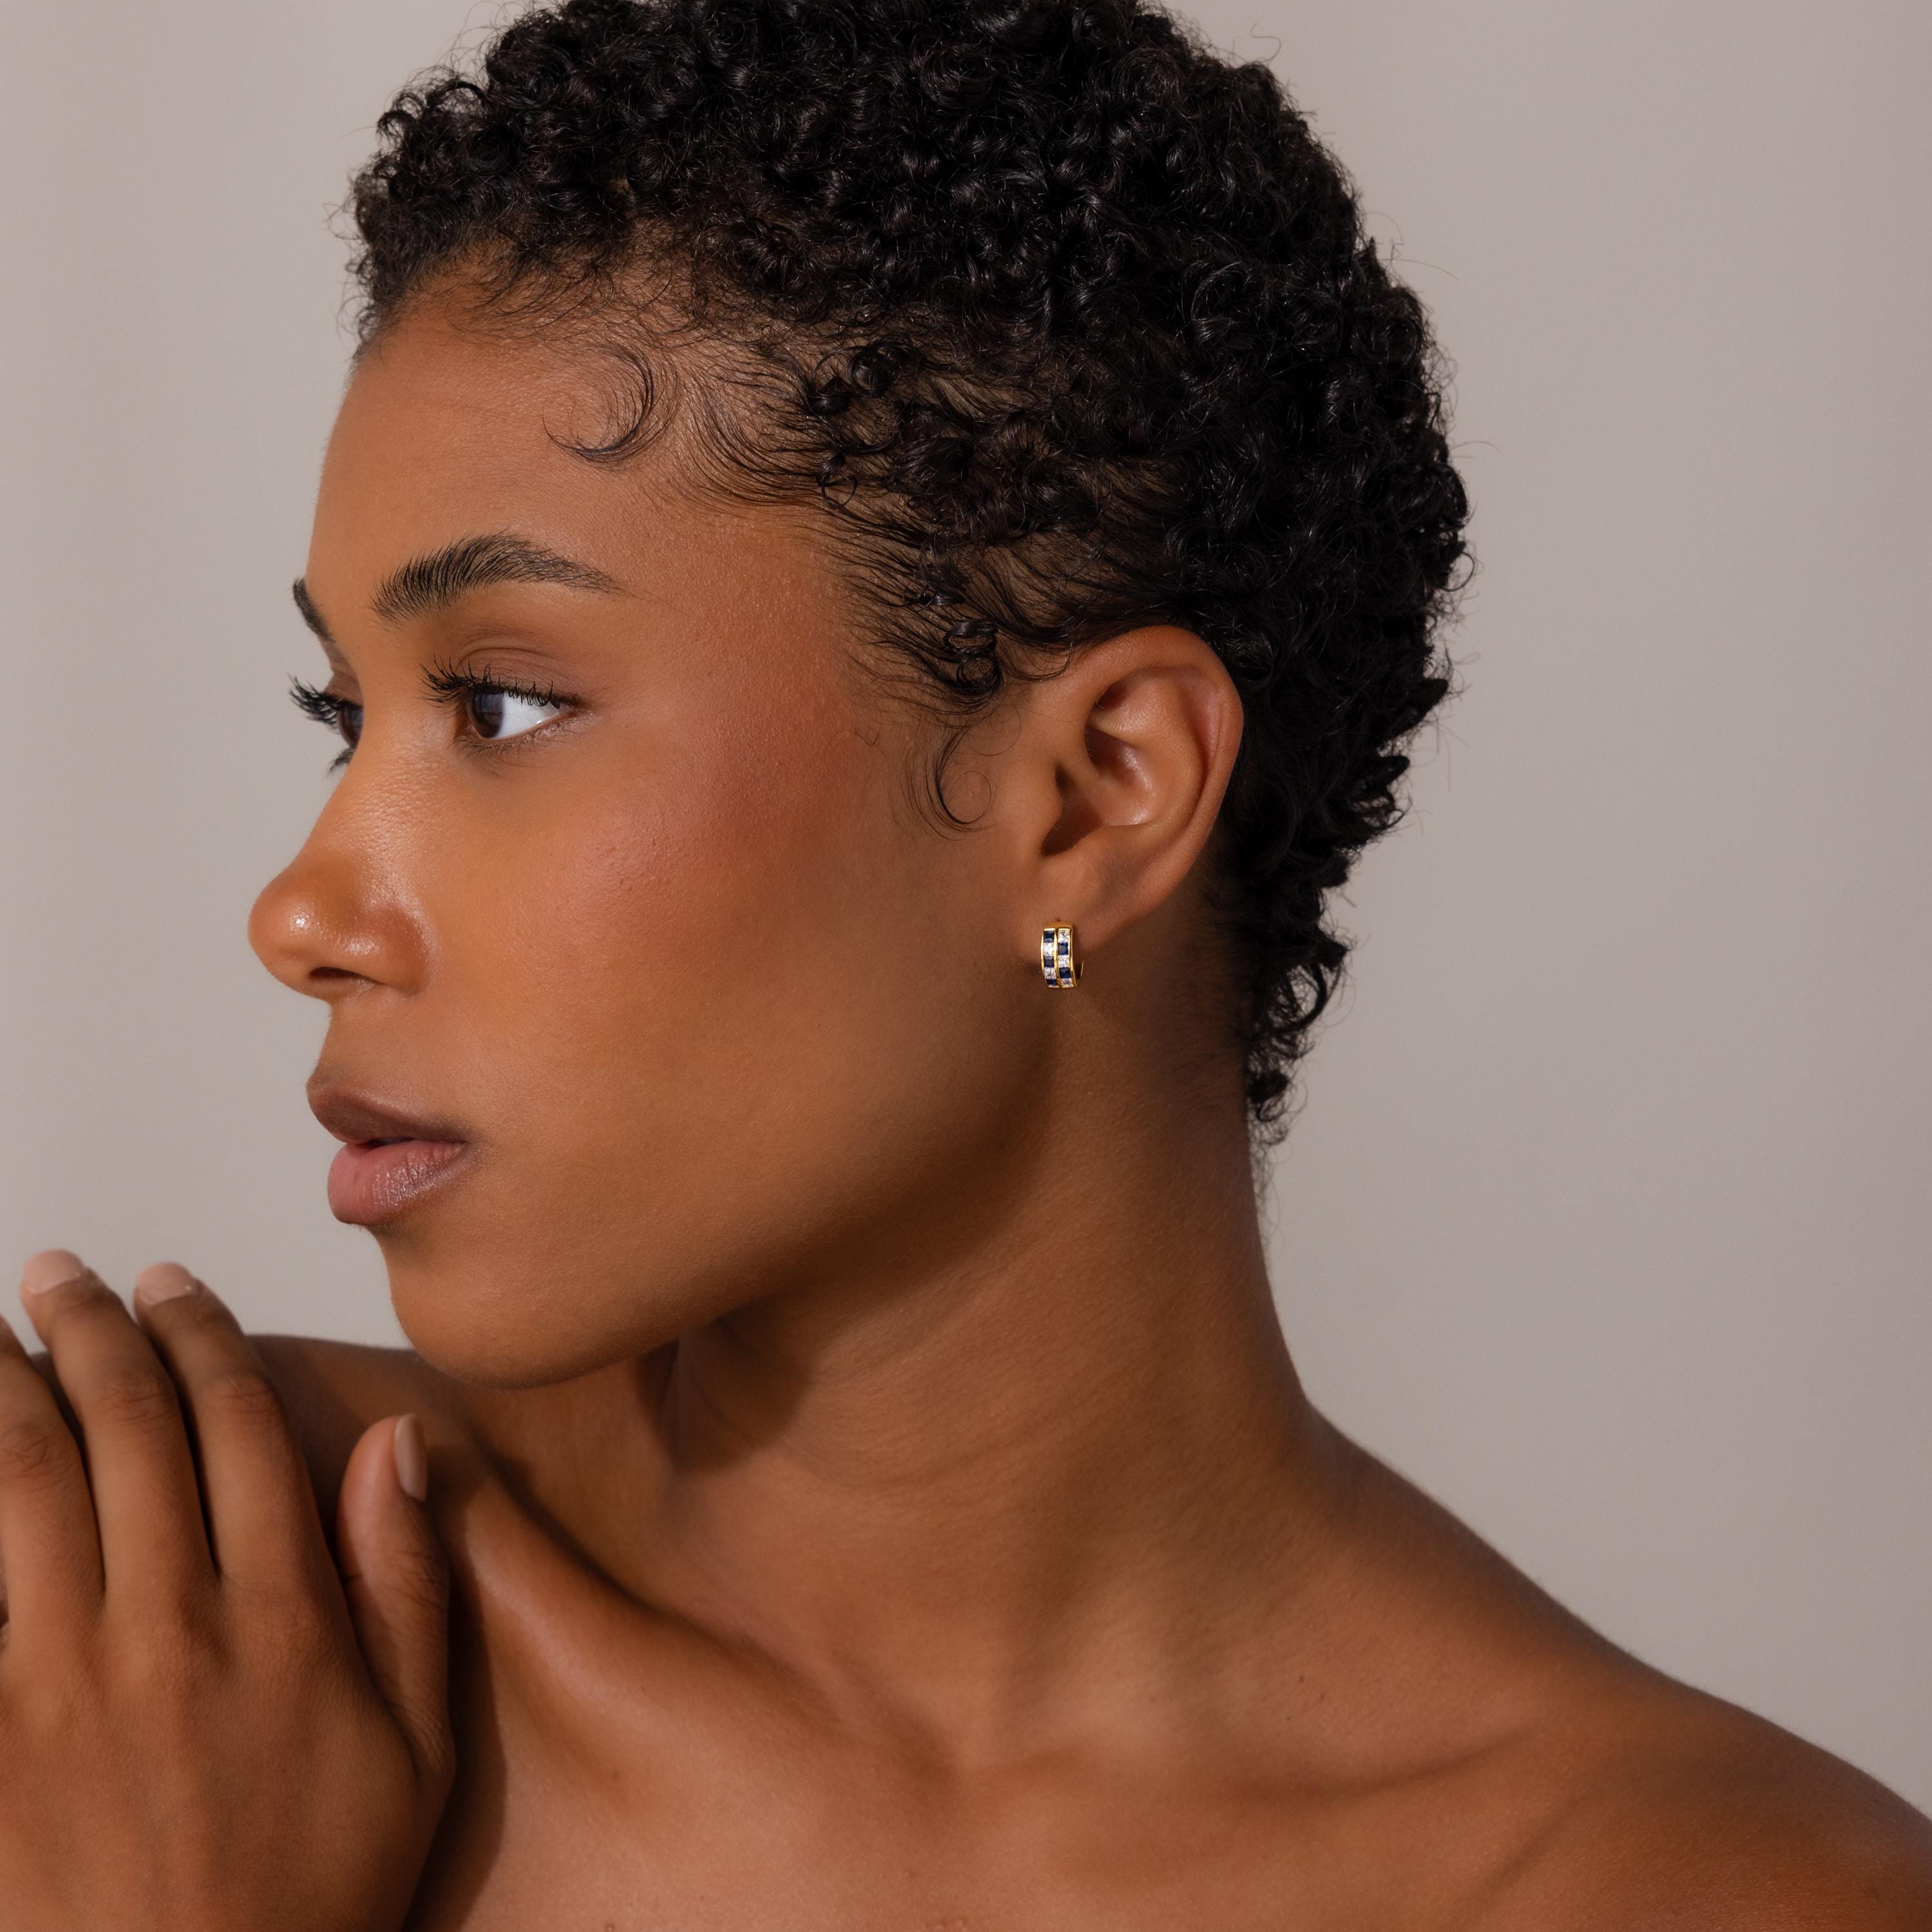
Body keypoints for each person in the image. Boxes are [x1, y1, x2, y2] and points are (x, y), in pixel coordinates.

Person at [4, 0, 1929, 1924]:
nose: (302, 913)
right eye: (343, 711)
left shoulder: (1723, 1892)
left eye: (500, 707)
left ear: (1099, 794)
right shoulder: (122, 1623)